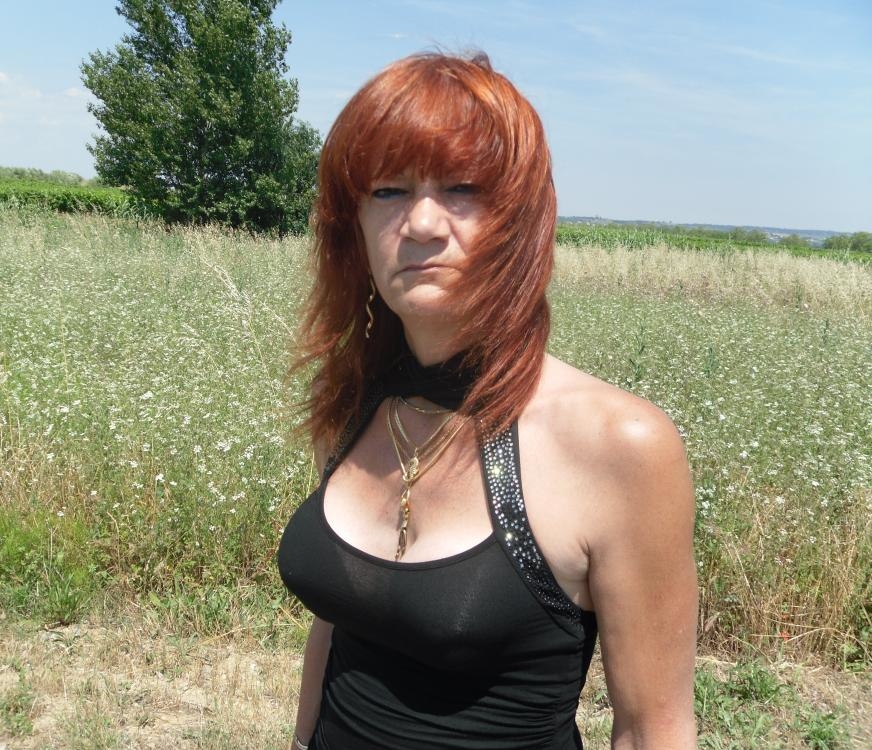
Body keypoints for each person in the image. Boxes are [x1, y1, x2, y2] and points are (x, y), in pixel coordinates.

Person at [278, 51, 697, 750]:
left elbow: (653, 730)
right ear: (353, 226)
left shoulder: (617, 445)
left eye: (462, 188)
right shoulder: (349, 403)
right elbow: (339, 620)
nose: (421, 223)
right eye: (388, 190)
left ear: (520, 220)